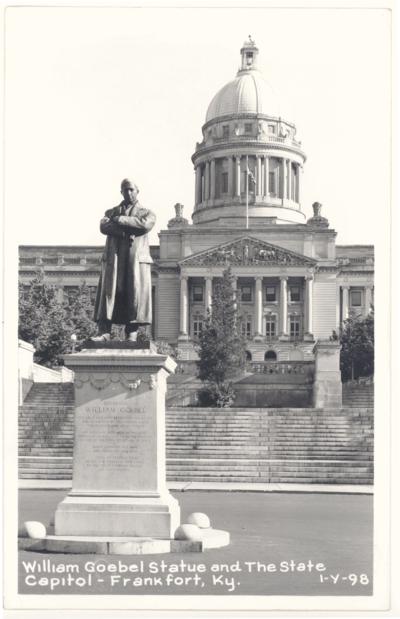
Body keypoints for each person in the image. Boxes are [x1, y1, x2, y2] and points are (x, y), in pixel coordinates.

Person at [92, 178, 156, 342]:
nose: (128, 193)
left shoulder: (147, 213)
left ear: (137, 191)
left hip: (135, 260)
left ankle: (131, 333)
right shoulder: (110, 212)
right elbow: (103, 227)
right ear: (121, 192)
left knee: (133, 294)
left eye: (131, 189)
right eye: (125, 190)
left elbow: (144, 225)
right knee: (110, 293)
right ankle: (104, 331)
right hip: (115, 258)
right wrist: (126, 232)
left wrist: (119, 220)